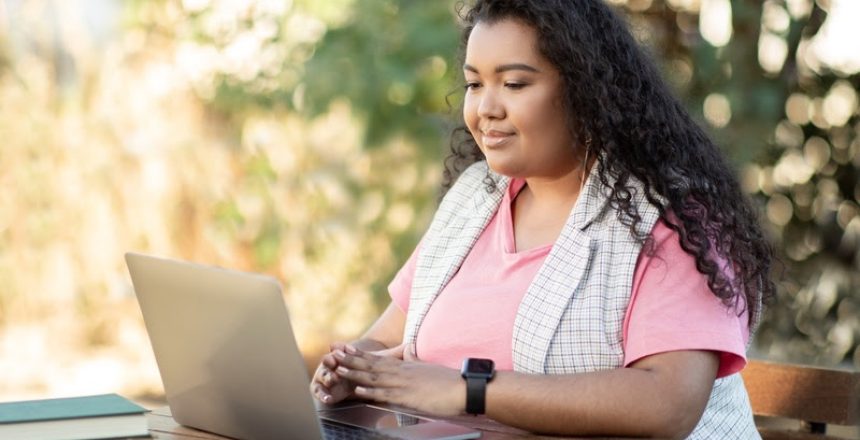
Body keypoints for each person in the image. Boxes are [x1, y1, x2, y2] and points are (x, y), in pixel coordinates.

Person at [310, 0, 774, 438]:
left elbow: (668, 403)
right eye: (475, 84)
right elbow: (386, 337)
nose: (486, 108)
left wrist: (467, 389)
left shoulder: (671, 217)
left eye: (513, 84)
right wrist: (354, 370)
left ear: (586, 89)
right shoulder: (474, 199)